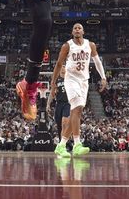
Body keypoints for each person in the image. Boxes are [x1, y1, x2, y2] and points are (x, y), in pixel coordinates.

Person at [50, 23, 107, 157]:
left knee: (77, 111)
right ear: (72, 32)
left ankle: (61, 145)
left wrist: (103, 77)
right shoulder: (67, 46)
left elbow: (97, 62)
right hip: (71, 80)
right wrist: (53, 83)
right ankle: (77, 144)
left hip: (83, 81)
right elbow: (58, 64)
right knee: (77, 108)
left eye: (79, 28)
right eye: (74, 28)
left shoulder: (90, 45)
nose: (77, 29)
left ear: (83, 31)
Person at [46, 64, 71, 156]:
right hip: (59, 104)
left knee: (65, 123)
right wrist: (48, 104)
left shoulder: (70, 78)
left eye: (65, 66)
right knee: (59, 125)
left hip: (67, 103)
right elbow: (52, 94)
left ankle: (63, 145)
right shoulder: (56, 80)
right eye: (62, 67)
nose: (63, 68)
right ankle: (61, 144)